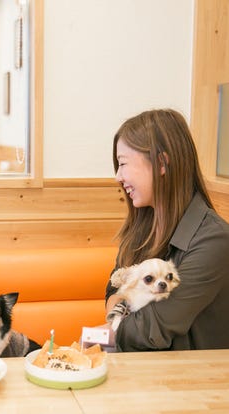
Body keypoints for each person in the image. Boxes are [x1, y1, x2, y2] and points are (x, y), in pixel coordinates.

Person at [104, 108, 229, 351]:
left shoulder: (214, 241)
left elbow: (152, 330)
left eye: (123, 164)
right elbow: (116, 284)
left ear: (161, 163)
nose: (118, 176)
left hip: (194, 381)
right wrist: (117, 315)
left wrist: (108, 330)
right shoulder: (143, 226)